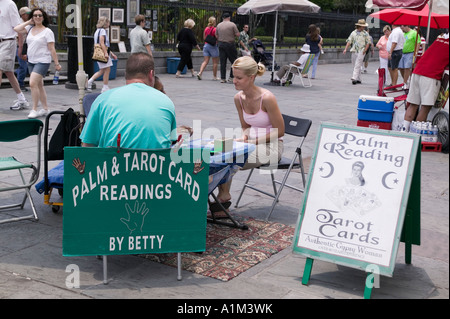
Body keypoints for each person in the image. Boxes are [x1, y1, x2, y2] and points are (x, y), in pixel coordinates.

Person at [214, 56, 285, 206]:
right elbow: (245, 126)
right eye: (233, 76)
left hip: (271, 146)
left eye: (239, 78)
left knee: (228, 157)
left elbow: (280, 131)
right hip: (251, 143)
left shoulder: (267, 98)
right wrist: (244, 138)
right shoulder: (238, 98)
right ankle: (217, 195)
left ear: (251, 77)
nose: (234, 81)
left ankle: (223, 196)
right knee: (214, 150)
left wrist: (252, 141)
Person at [80, 53, 177, 149]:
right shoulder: (166, 102)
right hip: (157, 164)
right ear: (151, 74)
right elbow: (172, 142)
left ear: (126, 75)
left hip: (113, 163)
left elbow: (87, 146)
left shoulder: (102, 100)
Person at [14, 8, 61, 118]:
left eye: (40, 15)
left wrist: (57, 63)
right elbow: (17, 29)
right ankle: (45, 109)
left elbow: (52, 48)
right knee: (39, 85)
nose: (37, 17)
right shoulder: (30, 28)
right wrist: (28, 22)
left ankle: (34, 109)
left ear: (43, 17)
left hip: (43, 61)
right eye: (35, 15)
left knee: (32, 83)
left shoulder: (47, 31)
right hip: (31, 61)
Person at [402, 36, 449, 131]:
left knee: (413, 104)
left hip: (418, 71)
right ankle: (417, 133)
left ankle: (404, 130)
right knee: (425, 107)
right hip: (431, 75)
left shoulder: (440, 38)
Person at [0, 0, 29, 111]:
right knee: (9, 72)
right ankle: (21, 99)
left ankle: (22, 100)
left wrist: (20, 48)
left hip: (7, 41)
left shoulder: (9, 4)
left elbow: (19, 27)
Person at [86, 16, 117, 93]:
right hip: (103, 53)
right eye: (108, 22)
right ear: (105, 23)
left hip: (99, 52)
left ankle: (89, 82)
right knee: (107, 69)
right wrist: (106, 53)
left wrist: (111, 53)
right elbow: (102, 43)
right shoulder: (103, 31)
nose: (109, 24)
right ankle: (105, 87)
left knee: (102, 70)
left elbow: (102, 44)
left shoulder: (97, 31)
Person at [343, 19, 370, 85]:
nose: (363, 28)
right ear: (359, 26)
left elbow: (368, 43)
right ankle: (359, 79)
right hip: (354, 50)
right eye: (362, 26)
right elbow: (349, 41)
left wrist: (365, 50)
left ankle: (354, 78)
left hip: (361, 50)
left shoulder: (365, 33)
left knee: (358, 64)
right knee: (355, 64)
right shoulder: (353, 33)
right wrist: (345, 49)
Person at [216, 12, 239, 83]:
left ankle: (223, 78)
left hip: (221, 44)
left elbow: (216, 35)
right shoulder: (232, 24)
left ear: (223, 18)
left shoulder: (219, 25)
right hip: (230, 44)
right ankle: (231, 77)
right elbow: (237, 34)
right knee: (234, 61)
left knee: (223, 62)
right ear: (229, 17)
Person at [197, 16, 219, 81]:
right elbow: (217, 37)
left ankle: (200, 73)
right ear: (214, 22)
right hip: (213, 46)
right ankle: (214, 76)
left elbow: (204, 37)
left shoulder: (206, 28)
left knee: (205, 61)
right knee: (215, 62)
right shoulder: (215, 29)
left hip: (206, 46)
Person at [15, 6, 31, 92]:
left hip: (27, 46)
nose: (29, 15)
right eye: (28, 14)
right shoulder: (18, 23)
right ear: (22, 15)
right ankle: (20, 83)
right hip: (19, 46)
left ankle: (17, 73)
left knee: (27, 67)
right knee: (24, 66)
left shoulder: (29, 23)